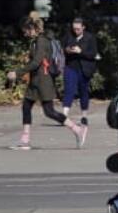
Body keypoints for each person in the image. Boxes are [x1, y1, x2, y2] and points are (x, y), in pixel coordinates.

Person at [7, 16, 85, 149]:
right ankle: (25, 140)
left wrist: (17, 73)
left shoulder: (42, 41)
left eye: (25, 30)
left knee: (49, 111)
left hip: (44, 81)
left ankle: (77, 129)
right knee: (26, 106)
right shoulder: (36, 41)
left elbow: (36, 62)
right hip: (36, 80)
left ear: (32, 28)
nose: (24, 33)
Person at [61, 16, 98, 127]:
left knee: (83, 92)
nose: (75, 31)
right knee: (69, 90)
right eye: (74, 28)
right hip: (70, 67)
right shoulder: (69, 35)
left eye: (78, 29)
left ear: (83, 27)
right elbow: (63, 47)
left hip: (84, 68)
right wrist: (68, 50)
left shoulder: (90, 38)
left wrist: (81, 52)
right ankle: (64, 116)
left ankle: (84, 116)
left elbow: (93, 54)